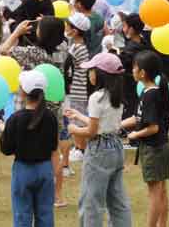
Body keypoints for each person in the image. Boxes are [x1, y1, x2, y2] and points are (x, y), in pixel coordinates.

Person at [63, 52, 132, 227]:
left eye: (92, 70)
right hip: (116, 147)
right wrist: (80, 116)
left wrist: (73, 129)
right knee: (117, 201)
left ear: (101, 74)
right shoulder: (117, 97)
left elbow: (93, 132)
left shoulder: (96, 97)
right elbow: (106, 125)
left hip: (99, 151)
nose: (89, 74)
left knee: (91, 201)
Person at [0, 69, 59, 227]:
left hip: (23, 170)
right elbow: (54, 148)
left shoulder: (15, 119)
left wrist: (4, 130)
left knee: (22, 216)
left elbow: (6, 149)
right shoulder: (50, 117)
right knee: (45, 215)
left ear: (23, 92)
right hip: (45, 169)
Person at [122, 50, 169, 227]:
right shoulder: (149, 91)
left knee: (155, 193)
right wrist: (119, 125)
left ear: (142, 72)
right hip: (159, 146)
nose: (132, 70)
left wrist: (135, 134)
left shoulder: (150, 94)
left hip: (154, 148)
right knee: (161, 191)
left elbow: (153, 127)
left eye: (135, 67)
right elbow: (138, 118)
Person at [64, 12, 91, 162]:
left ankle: (80, 149)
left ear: (74, 31)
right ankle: (78, 147)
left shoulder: (77, 48)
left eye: (67, 26)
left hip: (78, 89)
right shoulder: (77, 45)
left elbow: (67, 64)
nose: (65, 29)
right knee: (76, 118)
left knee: (77, 120)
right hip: (78, 89)